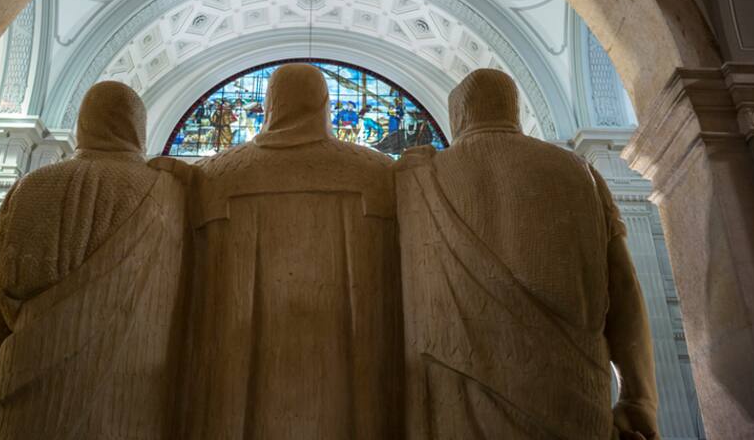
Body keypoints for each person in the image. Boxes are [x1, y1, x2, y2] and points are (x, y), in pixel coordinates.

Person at [395, 69, 658, 440]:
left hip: (457, 400)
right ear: (514, 110)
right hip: (574, 400)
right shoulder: (579, 172)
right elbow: (625, 292)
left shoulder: (417, 175)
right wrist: (639, 400)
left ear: (457, 116)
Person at [162, 64, 404, 439]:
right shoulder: (377, 171)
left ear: (270, 105)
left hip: (234, 374)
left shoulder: (215, 174)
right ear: (324, 104)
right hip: (352, 379)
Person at [0, 81, 189, 440]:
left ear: (82, 125)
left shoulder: (31, 187)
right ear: (139, 129)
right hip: (127, 412)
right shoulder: (170, 193)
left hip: (23, 413)